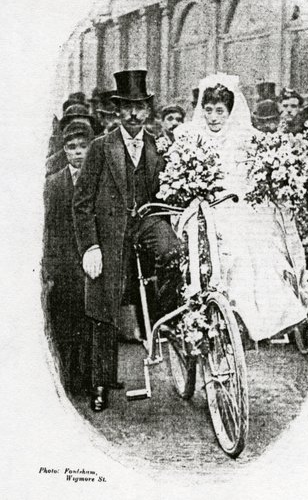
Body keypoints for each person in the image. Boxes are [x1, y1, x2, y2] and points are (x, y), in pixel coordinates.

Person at [176, 74, 308, 342]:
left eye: (219, 111)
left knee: (257, 250)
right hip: (203, 210)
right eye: (208, 111)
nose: (213, 118)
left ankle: (254, 320)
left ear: (230, 111)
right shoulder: (190, 138)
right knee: (230, 252)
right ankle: (223, 316)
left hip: (238, 210)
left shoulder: (246, 138)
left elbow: (256, 178)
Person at [73, 69, 180, 412]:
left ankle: (168, 320)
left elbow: (169, 193)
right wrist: (90, 245)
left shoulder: (158, 146)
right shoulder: (101, 148)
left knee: (176, 253)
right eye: (127, 108)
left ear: (148, 111)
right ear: (117, 111)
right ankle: (101, 383)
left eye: (140, 108)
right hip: (109, 234)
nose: (133, 115)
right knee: (105, 309)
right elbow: (82, 202)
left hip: (146, 223)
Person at [43, 120, 94, 395]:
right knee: (64, 323)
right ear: (64, 150)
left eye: (83, 147)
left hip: (91, 262)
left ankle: (89, 378)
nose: (78, 153)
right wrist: (49, 269)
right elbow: (49, 229)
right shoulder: (53, 185)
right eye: (71, 147)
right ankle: (66, 377)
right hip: (63, 265)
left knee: (89, 323)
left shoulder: (100, 181)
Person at [45, 103, 97, 177]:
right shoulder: (54, 163)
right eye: (75, 127)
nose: (81, 130)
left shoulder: (102, 155)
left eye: (85, 126)